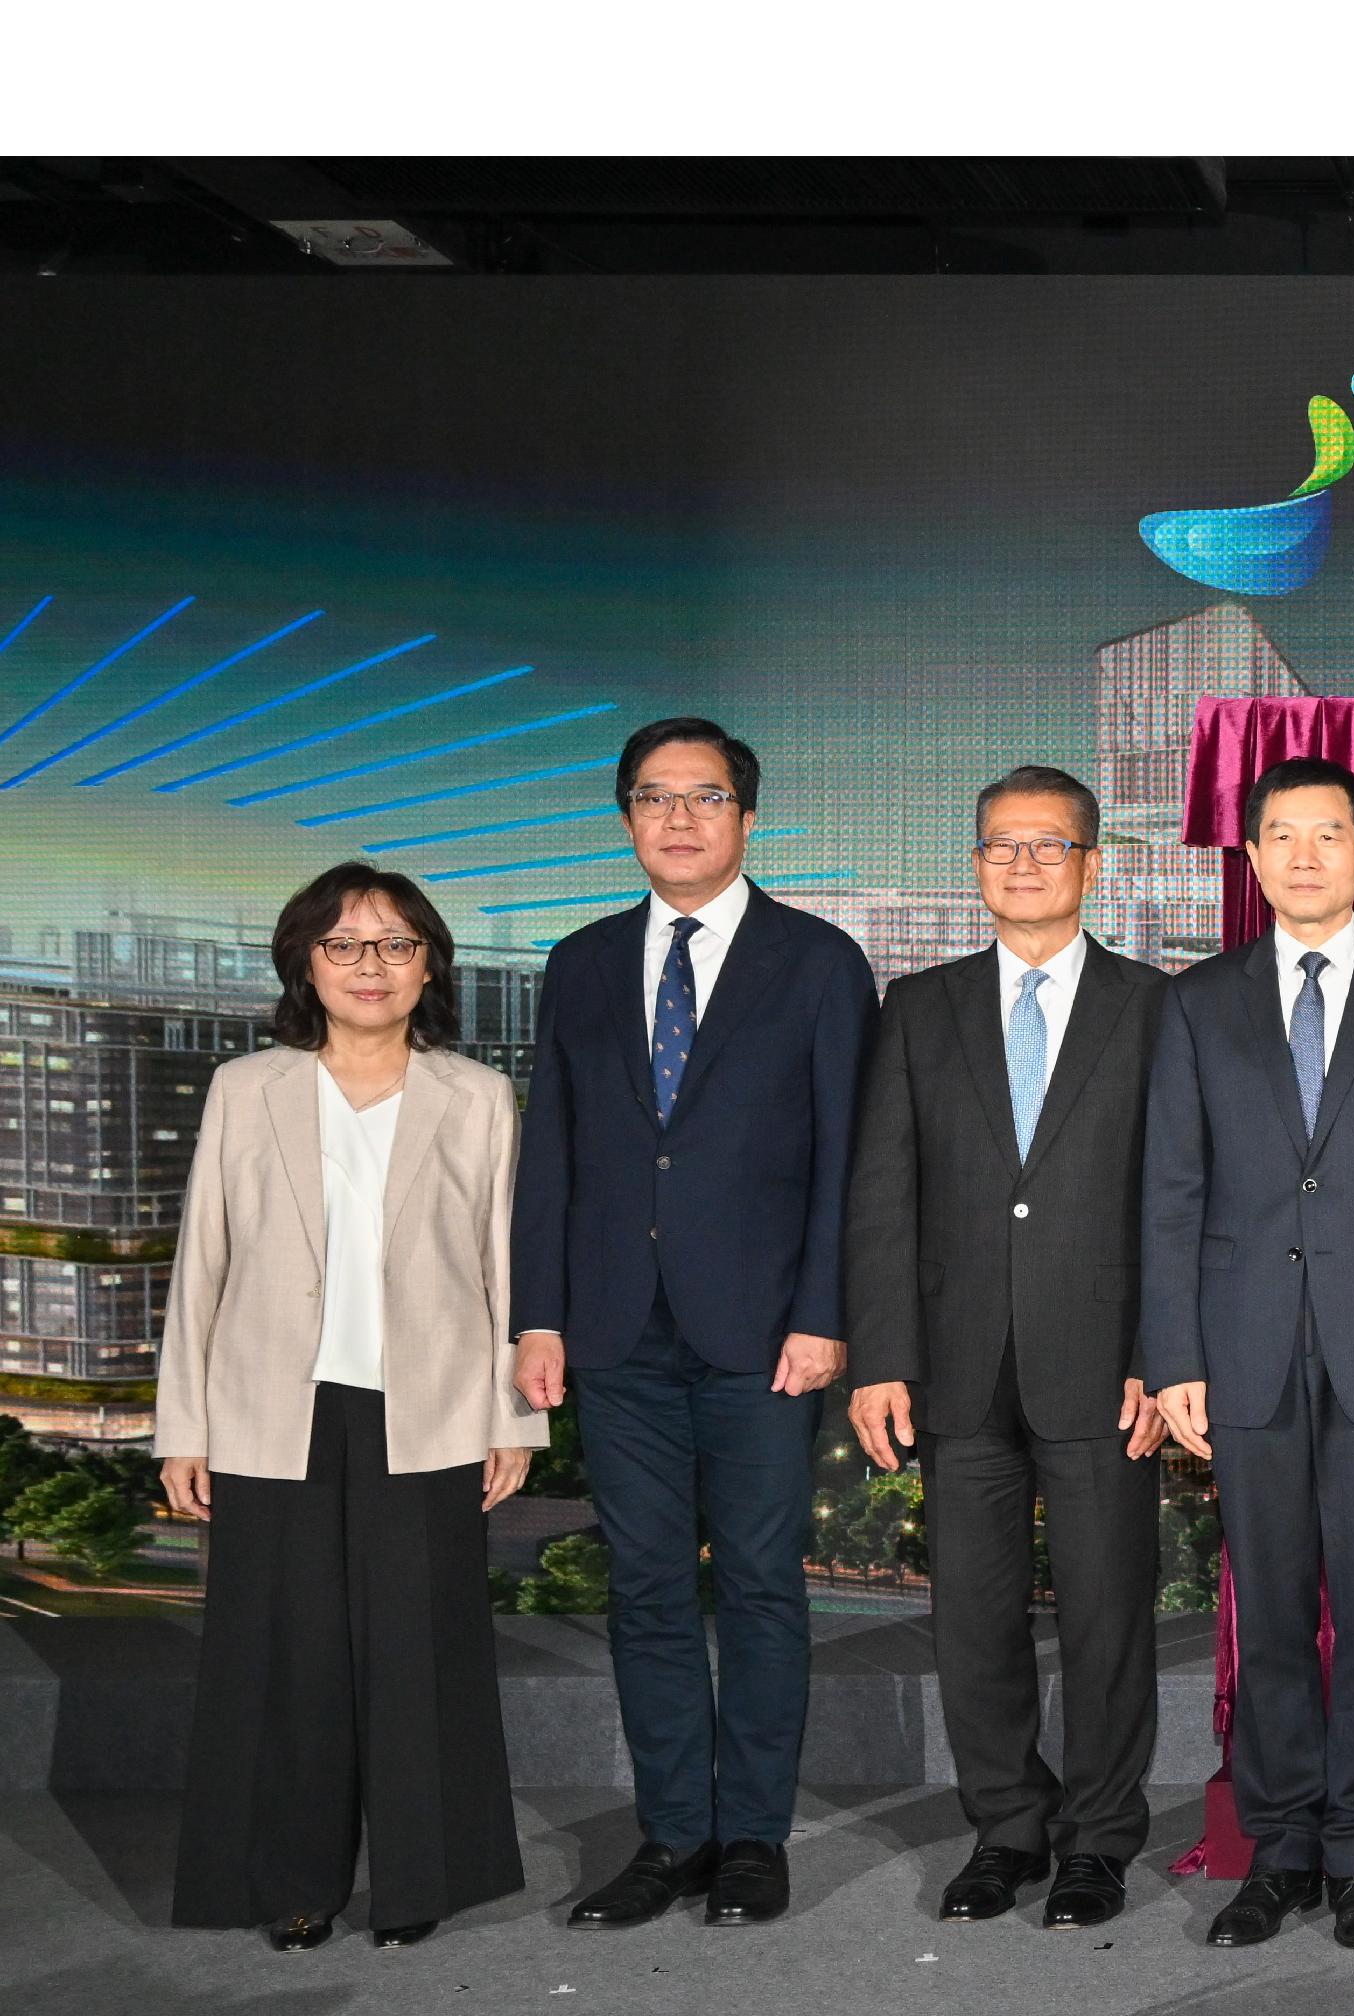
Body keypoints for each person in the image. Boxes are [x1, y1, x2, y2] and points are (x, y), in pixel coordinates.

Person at [512, 717, 875, 1931]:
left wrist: (825, 1315)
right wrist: (539, 1315)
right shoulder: (579, 962)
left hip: (766, 1334)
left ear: (747, 819)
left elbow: (846, 1161)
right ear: (626, 820)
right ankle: (673, 1835)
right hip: (615, 1329)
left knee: (767, 1584)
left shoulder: (821, 962)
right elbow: (550, 1151)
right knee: (649, 1592)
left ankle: (754, 1839)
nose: (678, 818)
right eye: (653, 798)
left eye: (704, 797)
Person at [1140, 756, 1354, 1951]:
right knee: (1273, 1611)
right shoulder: (1197, 1003)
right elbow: (1171, 1193)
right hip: (1240, 1349)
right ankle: (1276, 1849)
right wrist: (1172, 1354)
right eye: (1278, 834)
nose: (1301, 854)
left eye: (1326, 834)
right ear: (1249, 858)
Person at [160, 864, 539, 1949]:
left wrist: (511, 1417)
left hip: (426, 1407)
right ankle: (293, 1882)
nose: (371, 967)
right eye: (345, 945)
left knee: (422, 1653)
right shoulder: (248, 1090)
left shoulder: (475, 1095)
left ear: (430, 965)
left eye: (397, 945)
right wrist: (183, 1426)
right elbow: (204, 1264)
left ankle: (422, 1882)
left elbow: (503, 1266)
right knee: (286, 1655)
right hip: (269, 1408)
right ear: (304, 963)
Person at [845, 766, 1172, 1931]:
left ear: (1093, 864)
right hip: (957, 1362)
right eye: (1000, 846)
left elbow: (1175, 1198)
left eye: (1049, 845)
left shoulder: (1153, 1008)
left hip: (1106, 1365)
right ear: (974, 867)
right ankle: (1005, 1831)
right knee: (971, 1620)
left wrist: (1166, 1352)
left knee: (1105, 1616)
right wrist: (882, 1356)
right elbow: (882, 1192)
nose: (1022, 864)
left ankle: (1098, 1839)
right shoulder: (919, 1008)